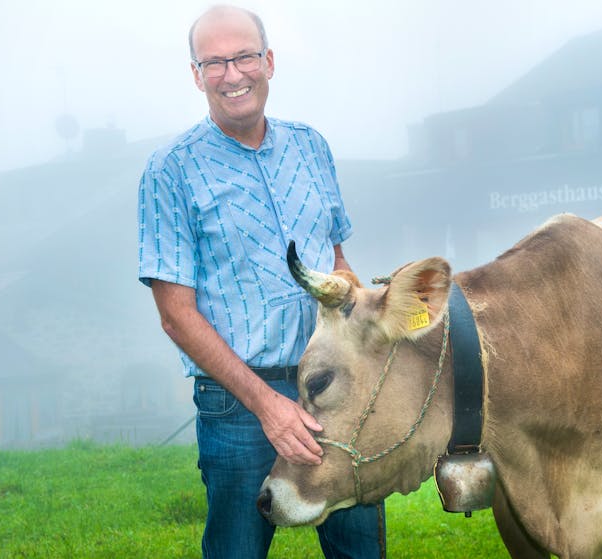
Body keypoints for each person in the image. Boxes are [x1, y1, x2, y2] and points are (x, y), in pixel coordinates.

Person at [137, 5, 385, 558]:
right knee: (236, 551)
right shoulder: (170, 170)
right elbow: (176, 313)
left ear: (268, 62)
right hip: (236, 404)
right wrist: (266, 405)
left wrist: (367, 306)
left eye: (245, 56)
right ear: (196, 75)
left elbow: (338, 259)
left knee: (359, 547)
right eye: (215, 62)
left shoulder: (311, 146)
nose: (233, 74)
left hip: (336, 387)